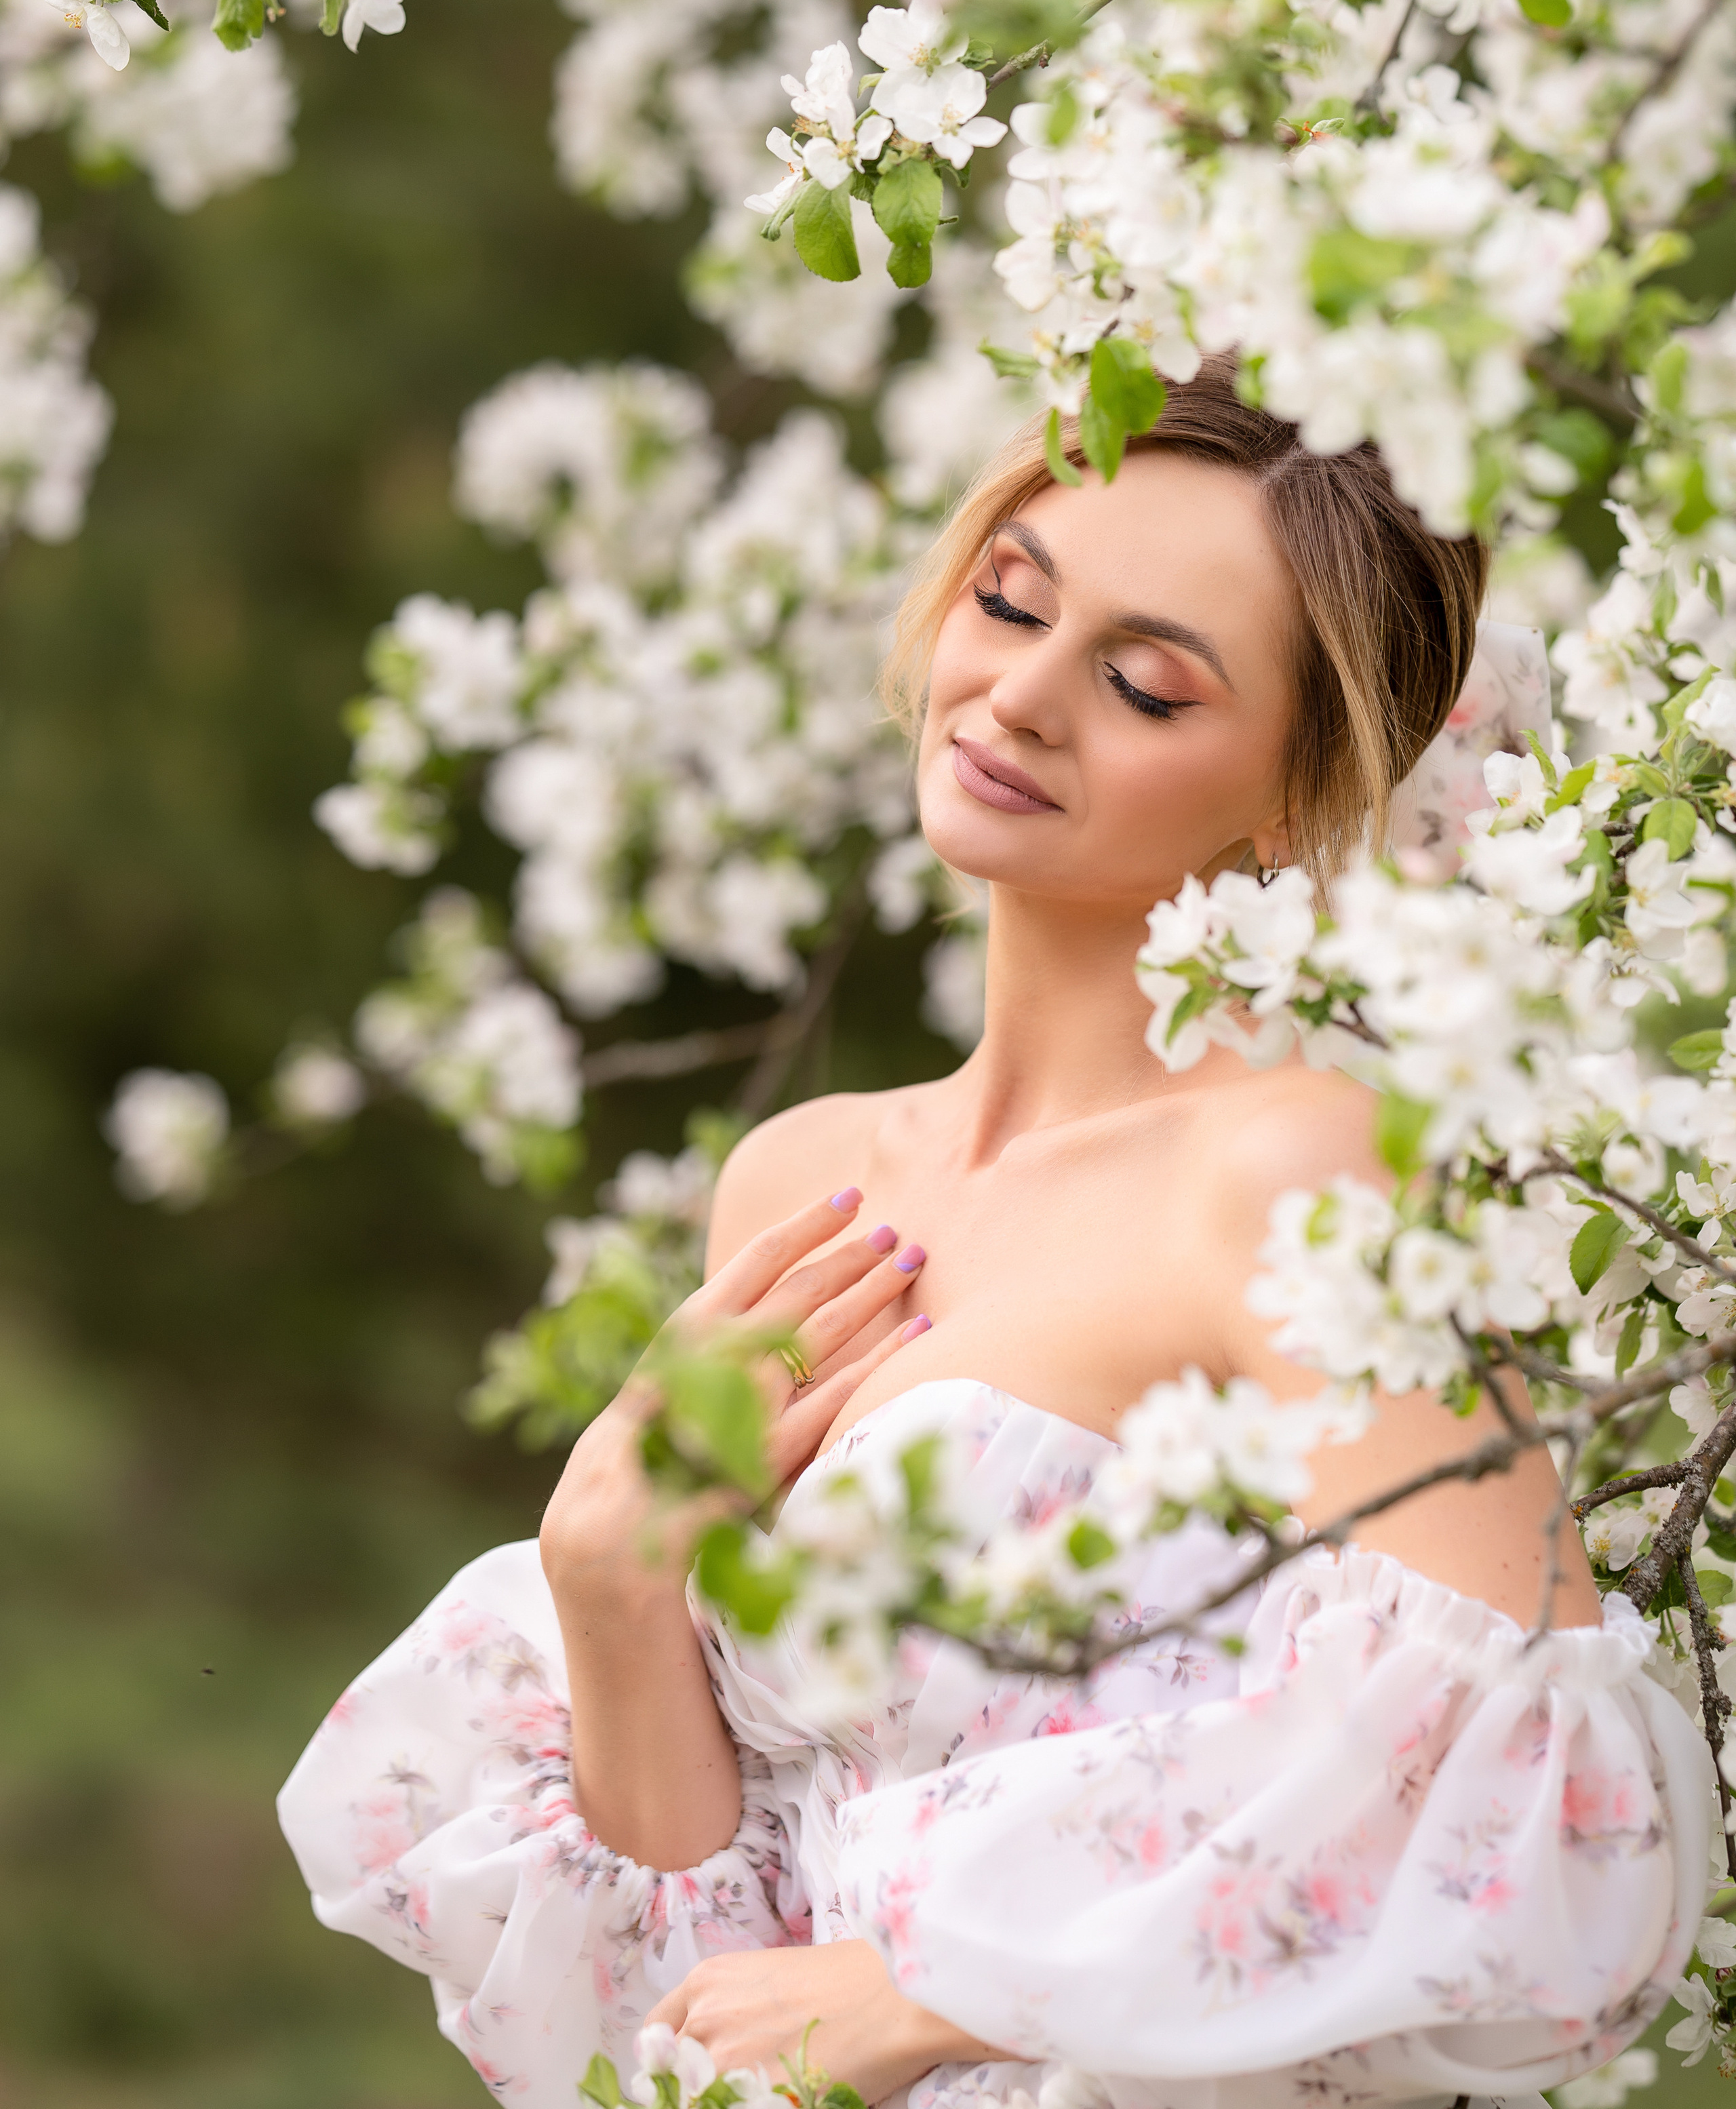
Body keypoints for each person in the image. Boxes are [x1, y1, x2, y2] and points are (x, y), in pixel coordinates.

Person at [280, 368, 1710, 2109]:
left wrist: (948, 1998)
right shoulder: (810, 1189)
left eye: (1141, 683)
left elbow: (1552, 1815)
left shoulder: (1286, 1175)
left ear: (1294, 785)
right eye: (1010, 599)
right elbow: (700, 1994)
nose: (1020, 696)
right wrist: (611, 1581)